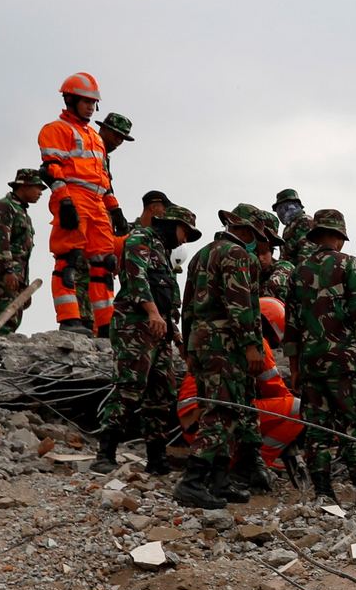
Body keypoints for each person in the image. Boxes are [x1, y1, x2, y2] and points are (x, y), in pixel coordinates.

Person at [286, 208, 356, 513]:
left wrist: (295, 368)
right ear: (339, 236)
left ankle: (324, 494)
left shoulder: (298, 271)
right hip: (345, 362)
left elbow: (291, 325)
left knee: (318, 428)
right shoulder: (349, 264)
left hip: (310, 364)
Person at [175, 204, 273, 508]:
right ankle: (192, 481)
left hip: (203, 341)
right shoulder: (237, 255)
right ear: (247, 231)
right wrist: (251, 345)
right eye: (259, 235)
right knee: (225, 410)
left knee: (213, 406)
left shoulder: (203, 254)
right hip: (226, 344)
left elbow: (187, 304)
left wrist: (189, 347)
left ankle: (219, 481)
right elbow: (240, 304)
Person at [93, 204, 201, 475]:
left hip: (160, 332)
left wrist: (178, 341)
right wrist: (151, 311)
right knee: (130, 387)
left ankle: (157, 457)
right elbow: (135, 276)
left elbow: (168, 305)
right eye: (185, 231)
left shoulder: (164, 254)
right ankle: (105, 453)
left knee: (162, 394)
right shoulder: (141, 239)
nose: (186, 237)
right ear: (171, 223)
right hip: (135, 325)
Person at [37, 72, 125, 334]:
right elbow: (51, 168)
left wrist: (115, 209)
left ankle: (106, 324)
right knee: (69, 259)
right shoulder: (56, 130)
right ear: (70, 100)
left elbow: (103, 179)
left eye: (93, 102)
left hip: (97, 202)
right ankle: (69, 318)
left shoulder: (95, 138)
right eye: (85, 101)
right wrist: (64, 202)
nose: (90, 106)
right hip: (73, 198)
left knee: (105, 263)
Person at [179, 296, 305, 477]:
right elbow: (273, 388)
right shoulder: (257, 343)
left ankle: (235, 459)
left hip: (194, 423)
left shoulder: (221, 335)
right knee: (296, 409)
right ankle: (257, 462)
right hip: (211, 422)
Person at [0, 169, 46, 335]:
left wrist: (24, 285)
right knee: (6, 317)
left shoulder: (21, 212)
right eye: (37, 187)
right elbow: (0, 241)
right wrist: (7, 270)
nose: (40, 193)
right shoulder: (3, 207)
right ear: (24, 186)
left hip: (15, 274)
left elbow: (23, 254)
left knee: (13, 318)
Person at [273, 189, 314, 271]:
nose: (281, 212)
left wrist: (300, 276)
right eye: (279, 209)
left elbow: (307, 253)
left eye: (284, 207)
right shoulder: (290, 226)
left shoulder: (304, 221)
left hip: (301, 274)